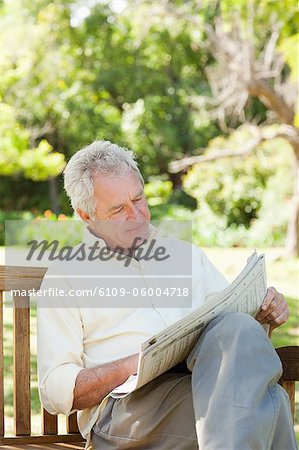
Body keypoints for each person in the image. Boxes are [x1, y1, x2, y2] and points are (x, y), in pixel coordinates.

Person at [37, 140, 297, 450]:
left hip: (197, 388)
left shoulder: (186, 257)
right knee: (268, 404)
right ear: (86, 215)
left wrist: (264, 316)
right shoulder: (66, 275)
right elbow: (55, 390)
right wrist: (135, 364)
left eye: (138, 198)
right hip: (126, 412)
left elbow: (236, 347)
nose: (137, 216)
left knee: (238, 329)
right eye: (118, 209)